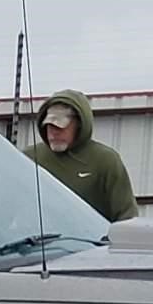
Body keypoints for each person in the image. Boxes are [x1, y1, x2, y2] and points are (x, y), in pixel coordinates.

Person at [25, 89, 138, 223]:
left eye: (60, 126)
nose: (53, 133)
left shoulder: (106, 161)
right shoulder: (30, 159)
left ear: (79, 124)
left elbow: (126, 215)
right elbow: (5, 204)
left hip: (94, 242)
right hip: (38, 242)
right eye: (49, 125)